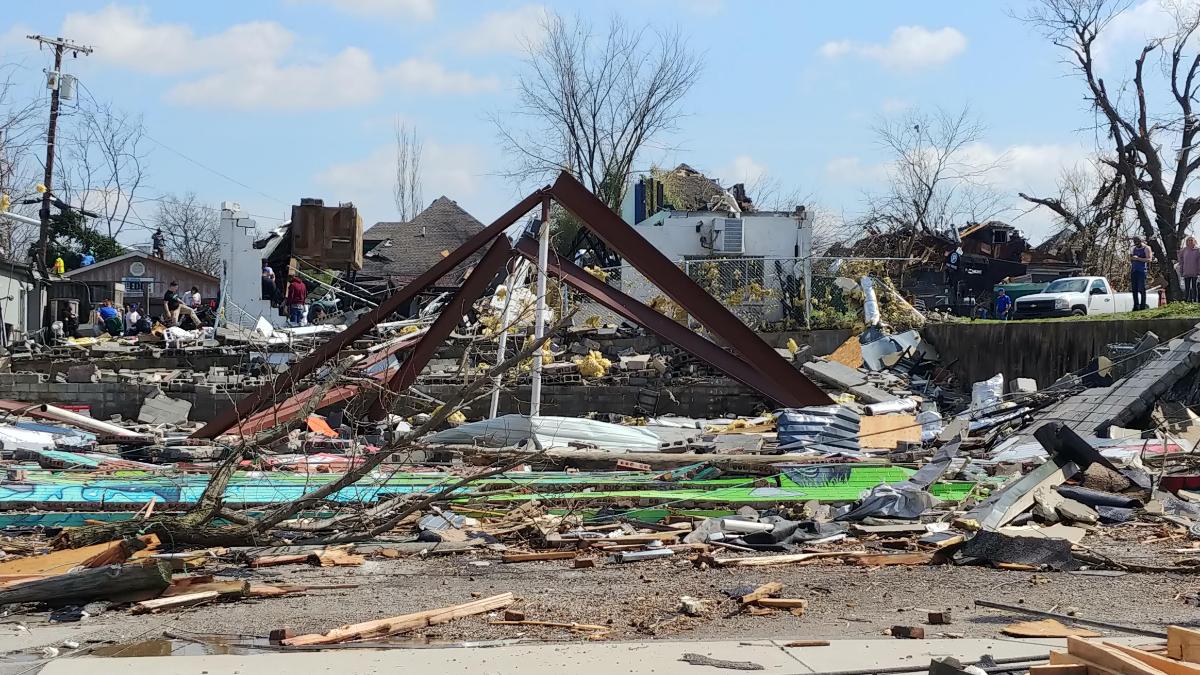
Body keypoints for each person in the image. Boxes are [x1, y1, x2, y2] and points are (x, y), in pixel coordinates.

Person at [1131, 236, 1154, 310]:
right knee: (1134, 289)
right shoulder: (1134, 249)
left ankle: (1143, 305)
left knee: (1141, 288)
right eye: (1135, 243)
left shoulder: (1146, 248)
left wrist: (1138, 259)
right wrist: (1132, 258)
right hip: (1134, 270)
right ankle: (1136, 305)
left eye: (1138, 243)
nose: (1137, 245)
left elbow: (1149, 259)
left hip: (1142, 270)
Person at [1181, 236, 1200, 303]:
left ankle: (1195, 301)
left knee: (1194, 287)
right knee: (1187, 287)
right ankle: (1186, 301)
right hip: (1186, 271)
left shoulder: (1198, 250)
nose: (1190, 241)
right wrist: (1181, 270)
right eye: (1189, 240)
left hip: (1195, 271)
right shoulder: (1184, 250)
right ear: (1187, 242)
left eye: (1192, 240)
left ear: (1194, 241)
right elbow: (1181, 261)